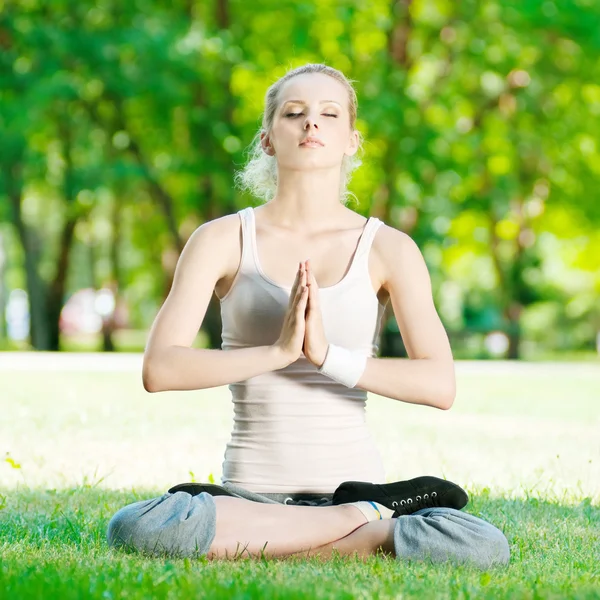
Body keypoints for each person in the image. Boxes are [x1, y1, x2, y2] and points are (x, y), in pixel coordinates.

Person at [106, 63, 509, 568]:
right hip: (253, 500)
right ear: (269, 139)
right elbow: (160, 369)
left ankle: (273, 542)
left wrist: (327, 357)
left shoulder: (387, 248)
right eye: (294, 113)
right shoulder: (221, 239)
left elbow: (439, 384)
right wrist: (277, 352)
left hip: (349, 486)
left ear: (351, 141)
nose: (311, 124)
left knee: (480, 544)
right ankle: (352, 528)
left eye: (328, 114)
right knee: (136, 528)